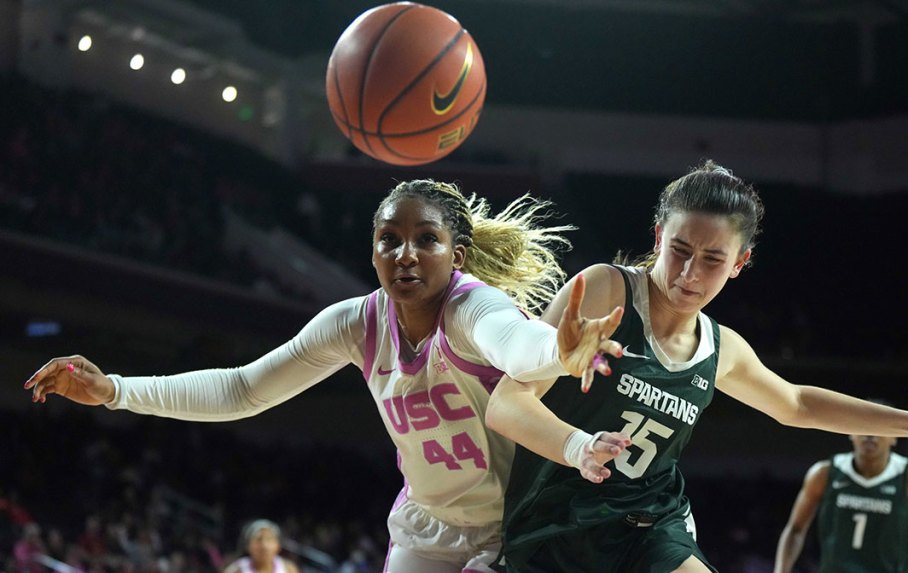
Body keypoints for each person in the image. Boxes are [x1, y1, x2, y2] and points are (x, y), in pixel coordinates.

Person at [24, 179, 624, 573]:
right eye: (389, 240)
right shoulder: (354, 324)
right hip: (430, 523)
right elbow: (242, 389)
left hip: (515, 524)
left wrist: (560, 352)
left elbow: (518, 346)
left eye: (426, 240)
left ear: (456, 256)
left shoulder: (471, 308)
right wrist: (116, 391)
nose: (405, 254)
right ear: (371, 254)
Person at [484, 161, 908, 573]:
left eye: (712, 260)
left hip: (647, 528)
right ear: (659, 235)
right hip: (552, 521)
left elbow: (796, 403)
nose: (689, 274)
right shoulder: (604, 290)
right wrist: (578, 447)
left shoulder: (720, 348)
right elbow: (507, 403)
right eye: (680, 249)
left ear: (739, 263)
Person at [773, 425, 908, 573]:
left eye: (880, 429)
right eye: (864, 427)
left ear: (894, 437)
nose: (870, 434)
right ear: (850, 432)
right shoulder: (824, 473)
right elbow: (795, 529)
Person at [223, 519, 300, 573]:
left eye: (269, 539)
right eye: (258, 539)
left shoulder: (289, 569)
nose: (264, 546)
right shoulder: (237, 569)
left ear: (278, 546)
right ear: (247, 545)